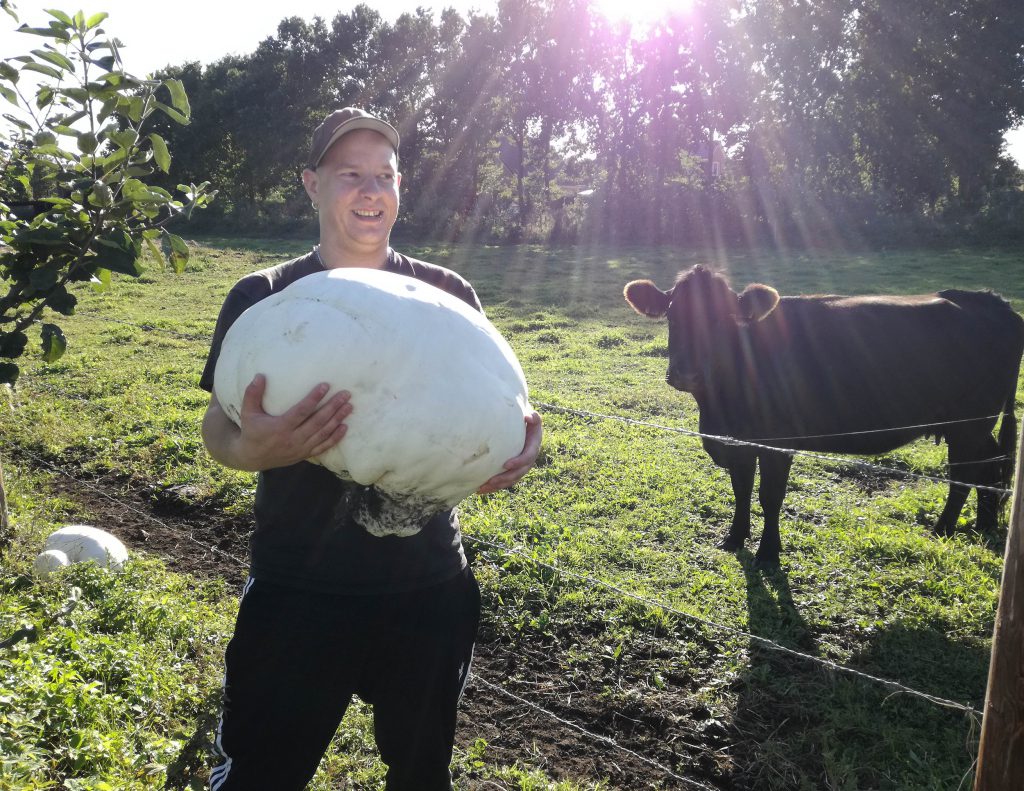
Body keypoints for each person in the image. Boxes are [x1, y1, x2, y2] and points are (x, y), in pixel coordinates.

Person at [199, 107, 543, 791]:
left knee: (421, 774)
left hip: (428, 585)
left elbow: (492, 404)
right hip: (299, 585)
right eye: (349, 173)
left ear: (400, 186)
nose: (369, 190)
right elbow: (219, 425)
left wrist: (513, 449)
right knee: (261, 773)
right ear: (312, 183)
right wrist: (251, 446)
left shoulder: (449, 293)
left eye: (383, 175)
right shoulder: (265, 295)